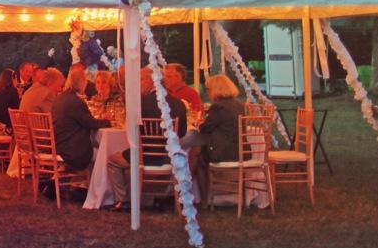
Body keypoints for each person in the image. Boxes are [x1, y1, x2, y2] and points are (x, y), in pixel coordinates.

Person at [106, 68, 190, 210]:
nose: (139, 83)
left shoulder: (140, 103)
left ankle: (123, 201)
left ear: (152, 81)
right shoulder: (178, 103)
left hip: (144, 156)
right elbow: (181, 133)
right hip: (169, 156)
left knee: (112, 160)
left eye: (141, 79)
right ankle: (161, 197)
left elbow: (133, 134)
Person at [51, 66, 110, 172]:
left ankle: (84, 184)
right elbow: (90, 123)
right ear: (82, 83)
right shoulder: (76, 101)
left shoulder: (59, 98)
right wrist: (107, 121)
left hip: (58, 146)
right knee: (106, 154)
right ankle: (98, 187)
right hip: (72, 150)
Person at [180, 73, 244, 165]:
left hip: (223, 152)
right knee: (197, 150)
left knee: (196, 150)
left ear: (216, 89)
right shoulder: (239, 105)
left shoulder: (218, 106)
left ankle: (188, 177)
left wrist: (198, 123)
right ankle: (204, 179)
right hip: (241, 151)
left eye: (208, 89)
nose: (208, 92)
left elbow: (205, 128)